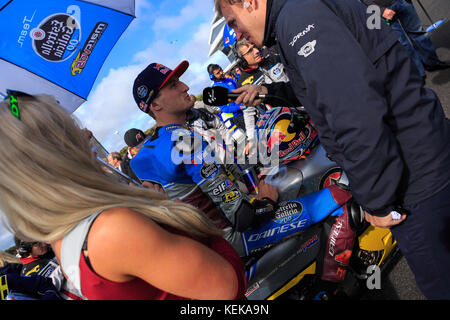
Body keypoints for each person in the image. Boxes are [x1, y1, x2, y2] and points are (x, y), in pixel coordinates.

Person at [216, 0, 450, 299]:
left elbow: (356, 114)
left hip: (415, 176)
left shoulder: (297, 19)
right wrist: (266, 91)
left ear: (247, 3)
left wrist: (376, 202)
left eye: (233, 22)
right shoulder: (297, 14)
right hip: (423, 151)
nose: (237, 34)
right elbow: (321, 89)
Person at [0, 91, 247, 300]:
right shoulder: (112, 229)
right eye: (70, 127)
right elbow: (227, 286)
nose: (86, 133)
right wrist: (177, 212)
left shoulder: (65, 237)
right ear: (55, 152)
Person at [361, 0, 450, 79]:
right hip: (384, 8)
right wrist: (380, 10)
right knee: (402, 44)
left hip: (403, 2)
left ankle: (432, 62)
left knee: (419, 33)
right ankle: (418, 73)